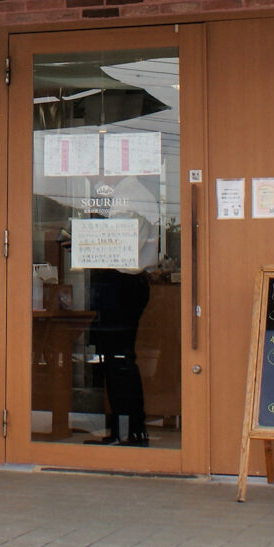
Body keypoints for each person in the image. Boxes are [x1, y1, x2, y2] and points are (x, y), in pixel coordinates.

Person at [88, 173, 159, 446]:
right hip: (122, 283)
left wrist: (88, 243)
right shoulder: (126, 195)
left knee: (119, 358)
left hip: (123, 283)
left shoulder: (132, 196)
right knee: (115, 357)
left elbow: (121, 247)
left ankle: (130, 431)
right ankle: (124, 430)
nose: (95, 177)